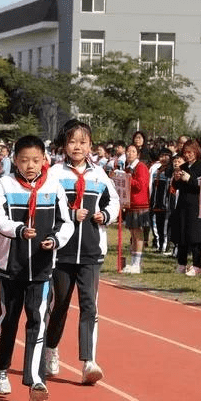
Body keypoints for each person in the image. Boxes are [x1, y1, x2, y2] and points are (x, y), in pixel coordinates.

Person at [0, 135, 73, 401]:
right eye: (24, 160)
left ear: (45, 160)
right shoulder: (4, 185)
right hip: (12, 266)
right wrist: (19, 230)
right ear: (15, 161)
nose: (30, 165)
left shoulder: (53, 187)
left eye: (35, 160)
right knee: (8, 319)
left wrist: (56, 240)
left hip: (43, 267)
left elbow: (66, 222)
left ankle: (36, 379)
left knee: (37, 320)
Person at [45, 119, 118, 385]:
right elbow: (45, 204)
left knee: (90, 305)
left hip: (90, 251)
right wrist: (69, 214)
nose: (78, 146)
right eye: (72, 141)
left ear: (90, 145)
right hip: (62, 252)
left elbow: (115, 202)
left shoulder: (99, 175)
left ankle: (89, 361)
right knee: (59, 304)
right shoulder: (54, 174)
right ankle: (51, 348)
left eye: (83, 142)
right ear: (64, 144)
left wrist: (105, 215)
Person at [170, 139, 201, 276]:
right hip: (182, 204)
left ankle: (197, 265)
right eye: (185, 153)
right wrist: (175, 179)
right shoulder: (183, 167)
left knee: (194, 237)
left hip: (196, 205)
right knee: (181, 235)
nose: (187, 155)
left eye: (190, 152)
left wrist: (190, 179)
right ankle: (181, 263)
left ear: (196, 152)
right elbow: (176, 187)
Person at [121, 143, 150, 274]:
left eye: (133, 151)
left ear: (137, 154)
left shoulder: (141, 167)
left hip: (140, 204)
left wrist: (127, 179)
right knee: (133, 234)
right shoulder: (128, 168)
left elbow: (140, 185)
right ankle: (132, 262)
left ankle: (137, 263)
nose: (129, 154)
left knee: (138, 234)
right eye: (128, 151)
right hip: (130, 204)